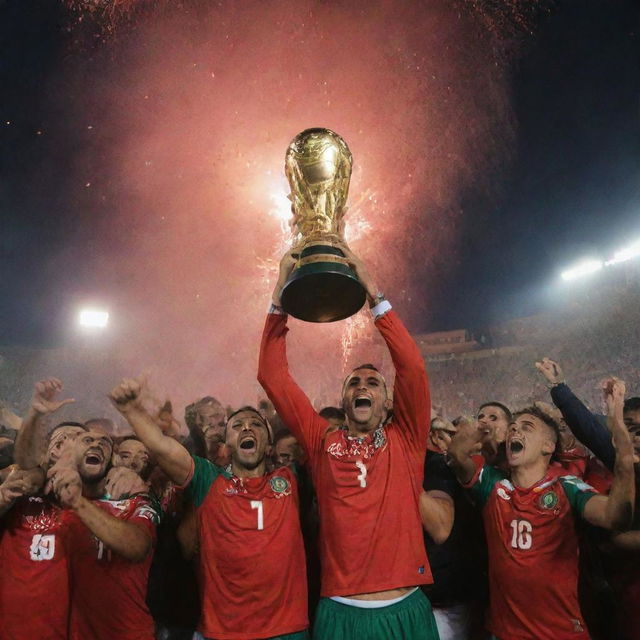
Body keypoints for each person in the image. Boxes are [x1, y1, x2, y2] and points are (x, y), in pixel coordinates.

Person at [258, 245, 439, 640]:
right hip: (341, 613)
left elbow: (411, 367)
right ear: (343, 401)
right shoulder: (321, 440)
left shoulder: (405, 439)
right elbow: (272, 376)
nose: (362, 386)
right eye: (353, 382)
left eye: (373, 382)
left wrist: (373, 292)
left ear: (388, 403)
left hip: (405, 609)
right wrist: (278, 295)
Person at [109, 378, 310, 640]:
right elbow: (162, 448)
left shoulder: (292, 479)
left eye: (256, 424)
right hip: (223, 632)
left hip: (287, 631)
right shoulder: (209, 479)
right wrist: (131, 410)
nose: (247, 428)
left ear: (270, 445)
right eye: (237, 425)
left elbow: (317, 435)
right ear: (226, 443)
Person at [447, 382, 636, 640]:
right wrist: (476, 431)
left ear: (548, 446)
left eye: (527, 427)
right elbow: (458, 456)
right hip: (504, 632)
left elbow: (615, 517)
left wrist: (624, 456)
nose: (516, 431)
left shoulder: (567, 487)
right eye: (513, 427)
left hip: (559, 632)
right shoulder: (491, 484)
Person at [48, 424, 159, 640]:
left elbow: (138, 547)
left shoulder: (135, 501)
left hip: (128, 634)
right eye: (87, 440)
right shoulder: (51, 498)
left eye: (104, 442)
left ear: (112, 459)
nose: (96, 444)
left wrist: (77, 503)